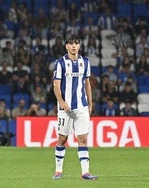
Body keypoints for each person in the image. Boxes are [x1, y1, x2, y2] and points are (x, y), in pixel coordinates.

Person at [52, 35, 97, 180]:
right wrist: (61, 102)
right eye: (71, 43)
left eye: (76, 43)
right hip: (65, 108)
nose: (73, 46)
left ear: (79, 46)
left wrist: (90, 103)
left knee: (83, 138)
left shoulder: (85, 62)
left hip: (81, 106)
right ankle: (58, 171)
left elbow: (87, 83)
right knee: (62, 139)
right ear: (66, 46)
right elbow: (56, 86)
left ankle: (85, 172)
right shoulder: (60, 63)